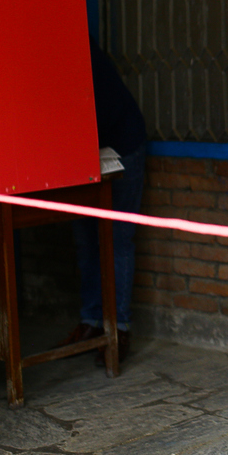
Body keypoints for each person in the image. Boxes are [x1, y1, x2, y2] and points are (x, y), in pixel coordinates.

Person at [59, 37, 147, 364]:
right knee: (85, 238)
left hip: (122, 148)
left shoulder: (80, 51)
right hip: (85, 155)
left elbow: (102, 114)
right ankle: (91, 321)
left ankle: (118, 328)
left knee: (117, 237)